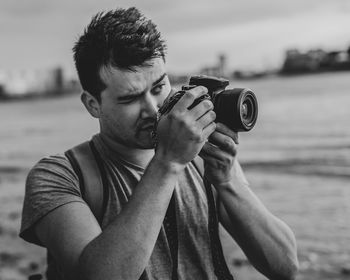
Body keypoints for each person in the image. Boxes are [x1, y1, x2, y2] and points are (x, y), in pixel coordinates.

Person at [20, 7, 298, 280]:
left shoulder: (200, 154)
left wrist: (228, 182)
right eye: (130, 99)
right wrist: (168, 162)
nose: (152, 109)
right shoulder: (58, 176)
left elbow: (284, 267)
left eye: (158, 88)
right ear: (92, 104)